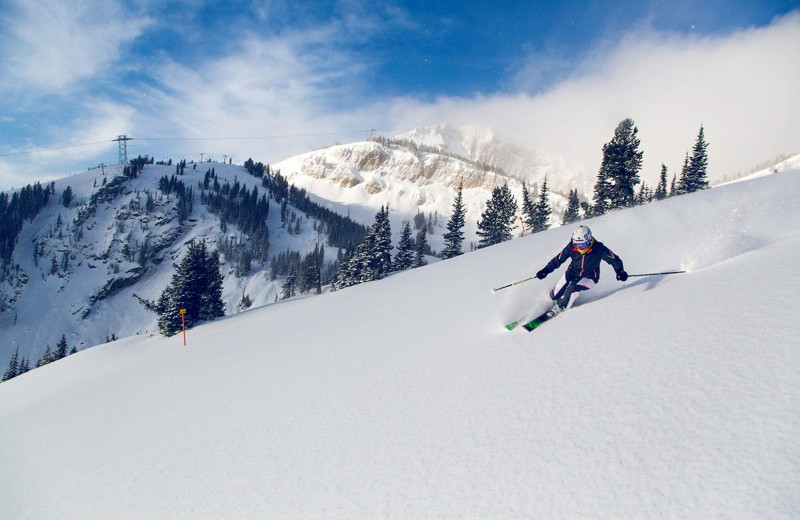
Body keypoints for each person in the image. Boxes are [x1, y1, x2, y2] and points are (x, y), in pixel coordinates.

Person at [535, 225, 628, 314]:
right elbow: (558, 259)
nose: (579, 247)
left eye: (583, 244)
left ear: (589, 240)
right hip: (571, 273)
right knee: (554, 295)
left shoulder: (598, 248)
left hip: (590, 277)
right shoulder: (571, 247)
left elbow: (614, 259)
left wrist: (620, 271)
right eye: (577, 244)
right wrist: (545, 270)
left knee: (573, 287)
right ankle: (549, 303)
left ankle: (560, 307)